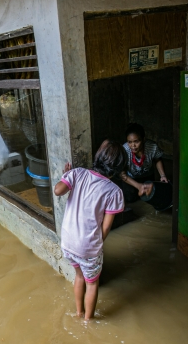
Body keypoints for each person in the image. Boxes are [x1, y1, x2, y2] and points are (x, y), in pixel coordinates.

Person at [54, 140, 126, 321]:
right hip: (88, 248)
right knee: (92, 284)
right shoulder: (114, 191)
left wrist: (67, 176)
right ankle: (88, 322)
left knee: (78, 276)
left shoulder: (77, 174)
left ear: (98, 157)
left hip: (68, 242)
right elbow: (107, 226)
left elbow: (57, 190)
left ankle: (78, 313)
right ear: (118, 168)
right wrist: (96, 244)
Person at [119, 123, 168, 202]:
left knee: (152, 197)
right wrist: (138, 186)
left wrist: (163, 175)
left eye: (136, 141)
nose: (133, 145)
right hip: (131, 177)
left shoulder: (152, 147)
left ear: (143, 139)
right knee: (130, 199)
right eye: (129, 142)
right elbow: (122, 174)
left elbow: (157, 159)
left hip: (147, 175)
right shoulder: (124, 150)